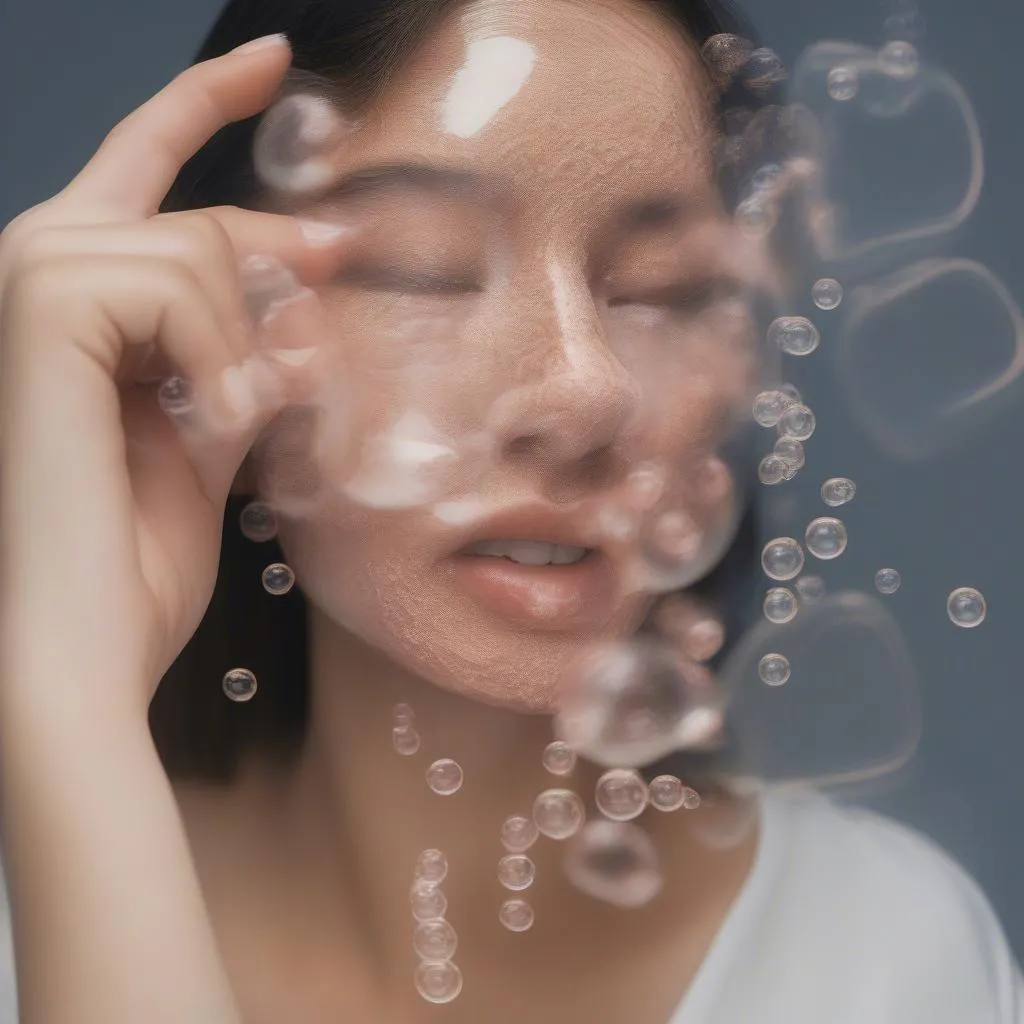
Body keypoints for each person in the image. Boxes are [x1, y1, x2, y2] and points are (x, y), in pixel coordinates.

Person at [0, 1, 1020, 1022]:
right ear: (206, 354)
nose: (582, 393)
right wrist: (72, 690)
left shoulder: (888, 963)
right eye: (425, 269)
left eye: (659, 291)